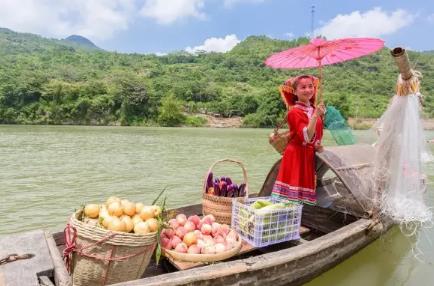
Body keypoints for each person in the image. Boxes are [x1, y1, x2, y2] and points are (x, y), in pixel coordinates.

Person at [272, 75, 325, 205]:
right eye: (303, 87)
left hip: (307, 156)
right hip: (295, 156)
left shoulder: (314, 109)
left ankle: (297, 220)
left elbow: (316, 135)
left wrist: (318, 144)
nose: (308, 90)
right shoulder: (294, 112)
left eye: (310, 86)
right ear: (295, 92)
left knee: (300, 199)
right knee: (289, 199)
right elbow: (306, 137)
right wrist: (315, 116)